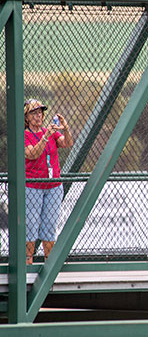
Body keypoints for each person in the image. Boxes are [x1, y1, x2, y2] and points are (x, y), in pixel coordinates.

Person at [24, 99, 73, 264]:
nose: (38, 116)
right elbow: (32, 154)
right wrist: (45, 137)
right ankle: (27, 261)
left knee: (49, 226)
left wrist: (65, 129)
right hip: (33, 187)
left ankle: (49, 262)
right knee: (31, 225)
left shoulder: (50, 132)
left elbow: (67, 143)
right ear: (27, 117)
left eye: (40, 113)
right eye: (34, 113)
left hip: (53, 187)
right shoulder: (25, 135)